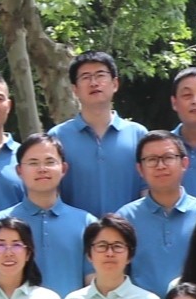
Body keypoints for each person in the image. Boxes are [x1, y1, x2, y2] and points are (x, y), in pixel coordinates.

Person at [49, 52, 147, 216]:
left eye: (100, 75)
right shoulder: (57, 137)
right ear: (75, 89)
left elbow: (147, 191)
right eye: (85, 77)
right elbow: (51, 192)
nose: (94, 83)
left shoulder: (138, 135)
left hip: (128, 230)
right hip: (76, 230)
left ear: (115, 84)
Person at [117, 131, 196, 298]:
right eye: (151, 159)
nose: (160, 166)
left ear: (184, 163)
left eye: (168, 158)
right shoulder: (125, 218)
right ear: (140, 169)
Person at [0, 134, 89, 293]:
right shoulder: (0, 223)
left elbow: (93, 280)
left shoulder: (86, 223)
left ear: (64, 168)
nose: (42, 169)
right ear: (19, 171)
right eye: (33, 163)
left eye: (50, 162)